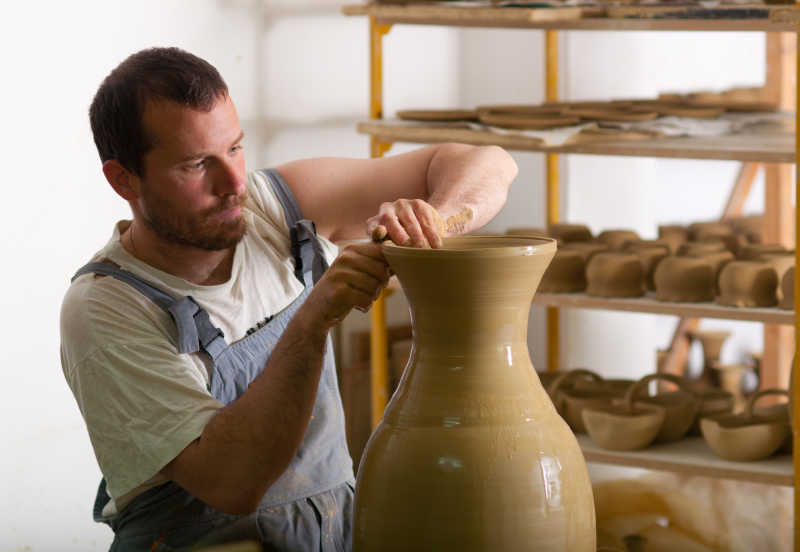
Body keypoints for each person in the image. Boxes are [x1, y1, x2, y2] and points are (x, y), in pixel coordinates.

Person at [60, 46, 515, 551]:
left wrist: (437, 219)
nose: (233, 184)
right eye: (196, 165)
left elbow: (487, 161)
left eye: (235, 147)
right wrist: (315, 318)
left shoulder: (272, 207)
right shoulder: (106, 309)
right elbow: (232, 481)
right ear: (123, 179)